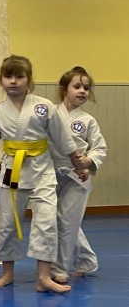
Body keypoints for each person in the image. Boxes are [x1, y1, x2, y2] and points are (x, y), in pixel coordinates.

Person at [0, 54, 80, 293]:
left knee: (46, 223)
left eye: (19, 76)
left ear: (29, 80)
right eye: (8, 76)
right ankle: (7, 273)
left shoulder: (44, 107)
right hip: (11, 172)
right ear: (1, 80)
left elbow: (63, 139)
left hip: (42, 171)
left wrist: (78, 165)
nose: (13, 81)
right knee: (7, 224)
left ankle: (43, 277)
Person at [51, 66, 107, 283]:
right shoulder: (50, 113)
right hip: (50, 174)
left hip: (77, 175)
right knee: (61, 220)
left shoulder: (87, 120)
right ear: (64, 89)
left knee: (66, 220)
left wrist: (88, 161)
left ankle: (59, 268)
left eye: (86, 87)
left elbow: (100, 148)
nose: (82, 91)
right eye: (77, 86)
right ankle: (87, 260)